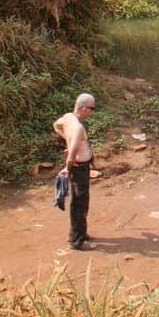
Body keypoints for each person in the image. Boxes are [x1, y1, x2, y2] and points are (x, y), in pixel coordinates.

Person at [53, 93, 97, 251]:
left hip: (79, 166)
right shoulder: (78, 128)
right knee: (79, 204)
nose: (91, 112)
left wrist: (67, 138)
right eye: (91, 108)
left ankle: (82, 234)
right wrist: (67, 168)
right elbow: (71, 155)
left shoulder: (67, 117)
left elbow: (56, 125)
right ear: (84, 108)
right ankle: (76, 241)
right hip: (78, 168)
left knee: (82, 201)